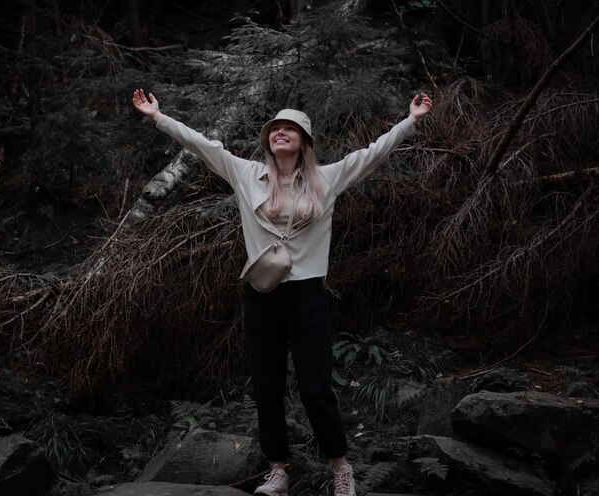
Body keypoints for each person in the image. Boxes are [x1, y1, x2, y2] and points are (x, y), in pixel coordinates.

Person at [133, 88, 432, 496]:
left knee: (315, 387)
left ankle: (341, 468)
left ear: (304, 140)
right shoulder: (245, 173)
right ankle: (278, 471)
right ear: (268, 139)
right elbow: (201, 144)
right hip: (262, 295)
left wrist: (411, 121)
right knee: (267, 386)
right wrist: (158, 117)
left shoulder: (327, 178)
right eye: (275, 128)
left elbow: (374, 153)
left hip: (308, 294)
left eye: (290, 128)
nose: (281, 132)